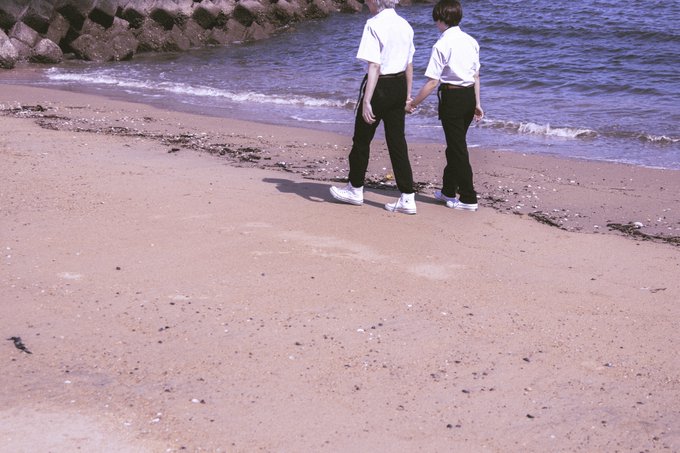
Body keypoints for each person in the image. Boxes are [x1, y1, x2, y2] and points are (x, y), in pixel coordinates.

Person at [329, 0, 417, 215]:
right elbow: (409, 64)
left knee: (361, 139)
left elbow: (375, 65)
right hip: (399, 85)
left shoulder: (373, 24)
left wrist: (367, 100)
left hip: (380, 87)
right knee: (397, 142)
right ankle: (408, 197)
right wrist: (408, 96)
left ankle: (355, 189)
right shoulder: (405, 25)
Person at [406, 0, 483, 211]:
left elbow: (432, 82)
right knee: (455, 145)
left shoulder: (442, 44)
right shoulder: (471, 41)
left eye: (436, 20)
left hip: (453, 99)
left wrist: (412, 103)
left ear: (440, 19)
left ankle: (468, 197)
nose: (435, 24)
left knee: (457, 148)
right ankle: (448, 190)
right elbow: (476, 75)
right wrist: (477, 103)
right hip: (468, 96)